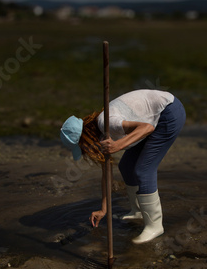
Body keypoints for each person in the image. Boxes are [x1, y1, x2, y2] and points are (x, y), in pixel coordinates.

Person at [60, 89, 186, 244]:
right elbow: (106, 174)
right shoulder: (101, 133)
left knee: (143, 171)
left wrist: (118, 145)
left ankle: (154, 226)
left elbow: (147, 128)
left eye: (82, 148)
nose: (85, 153)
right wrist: (103, 210)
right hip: (156, 114)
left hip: (168, 113)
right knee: (126, 166)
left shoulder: (107, 123)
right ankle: (138, 211)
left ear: (85, 139)